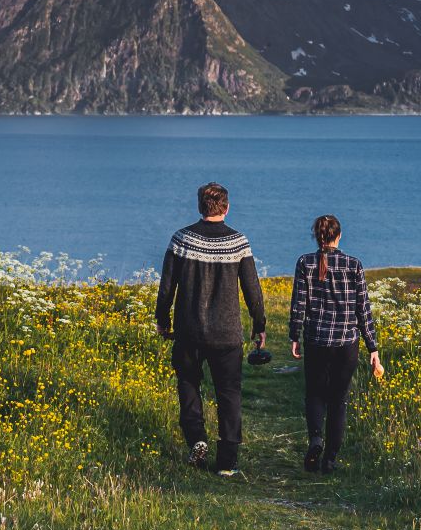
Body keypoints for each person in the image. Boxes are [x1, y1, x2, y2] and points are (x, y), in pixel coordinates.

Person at [156, 182, 266, 474]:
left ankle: (196, 438)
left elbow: (167, 287)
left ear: (199, 206)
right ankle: (227, 461)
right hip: (227, 333)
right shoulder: (239, 242)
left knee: (189, 384)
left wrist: (162, 319)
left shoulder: (181, 239)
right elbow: (252, 288)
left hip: (189, 330)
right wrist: (260, 323)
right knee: (229, 393)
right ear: (226, 208)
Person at [288, 214, 384, 474]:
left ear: (317, 236)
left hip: (317, 339)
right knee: (338, 400)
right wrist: (372, 347)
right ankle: (329, 459)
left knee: (315, 394)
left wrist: (294, 335)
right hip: (346, 343)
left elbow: (299, 304)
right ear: (339, 236)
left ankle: (316, 439)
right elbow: (363, 310)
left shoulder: (304, 263)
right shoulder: (354, 265)